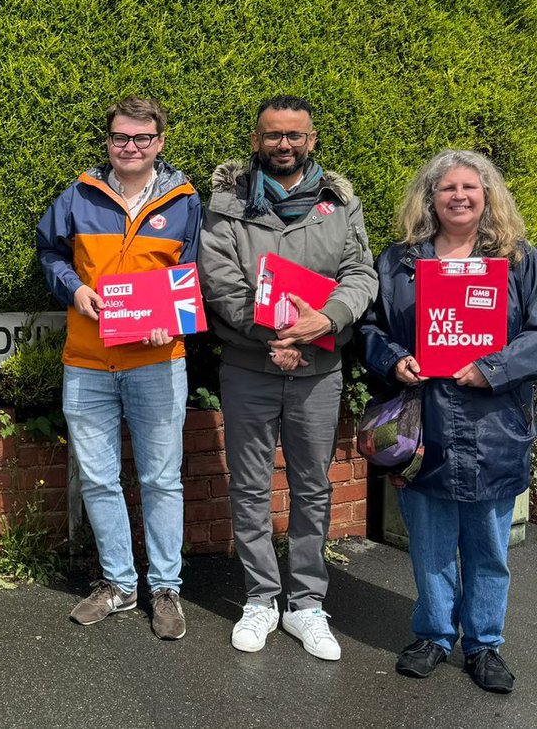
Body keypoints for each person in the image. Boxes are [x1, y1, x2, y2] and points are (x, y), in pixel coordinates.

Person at [198, 95, 376, 661]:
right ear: (256, 141)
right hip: (251, 365)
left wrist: (323, 322)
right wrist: (272, 336)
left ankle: (305, 605)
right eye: (273, 135)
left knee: (312, 488)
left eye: (294, 135)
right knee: (249, 486)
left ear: (312, 139)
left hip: (319, 369)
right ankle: (260, 598)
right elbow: (219, 278)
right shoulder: (226, 202)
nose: (284, 144)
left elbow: (360, 273)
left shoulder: (340, 203)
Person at [361, 150, 535, 694]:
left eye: (470, 187)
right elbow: (370, 327)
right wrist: (394, 360)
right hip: (424, 422)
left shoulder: (520, 261)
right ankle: (435, 634)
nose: (459, 196)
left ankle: (484, 645)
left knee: (488, 545)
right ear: (430, 198)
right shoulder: (398, 262)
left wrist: (493, 368)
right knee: (431, 541)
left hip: (494, 423)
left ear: (488, 196)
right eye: (447, 188)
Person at [36, 96, 201, 639]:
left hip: (158, 359)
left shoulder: (184, 201)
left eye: (142, 138)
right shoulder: (79, 195)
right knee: (101, 478)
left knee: (161, 479)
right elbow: (50, 253)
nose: (131, 147)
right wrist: (75, 288)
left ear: (161, 142)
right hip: (87, 361)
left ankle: (166, 588)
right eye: (121, 138)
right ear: (107, 142)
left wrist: (171, 320)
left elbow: (193, 273)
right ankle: (119, 584)